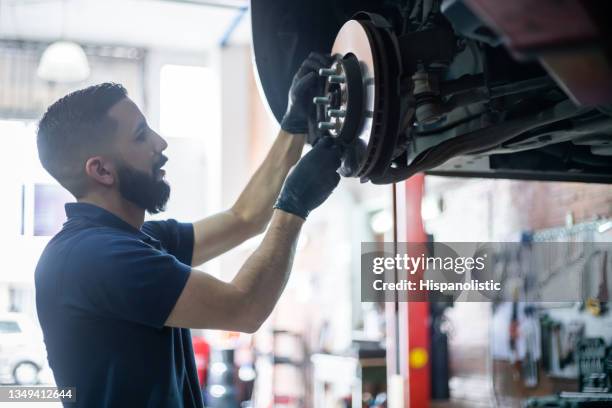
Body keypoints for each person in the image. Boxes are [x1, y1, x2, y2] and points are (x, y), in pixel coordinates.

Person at [34, 52, 341, 407]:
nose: (160, 143)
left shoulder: (137, 241)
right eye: (140, 136)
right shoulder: (94, 258)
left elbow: (244, 218)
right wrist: (294, 206)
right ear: (102, 171)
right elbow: (245, 307)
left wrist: (293, 126)